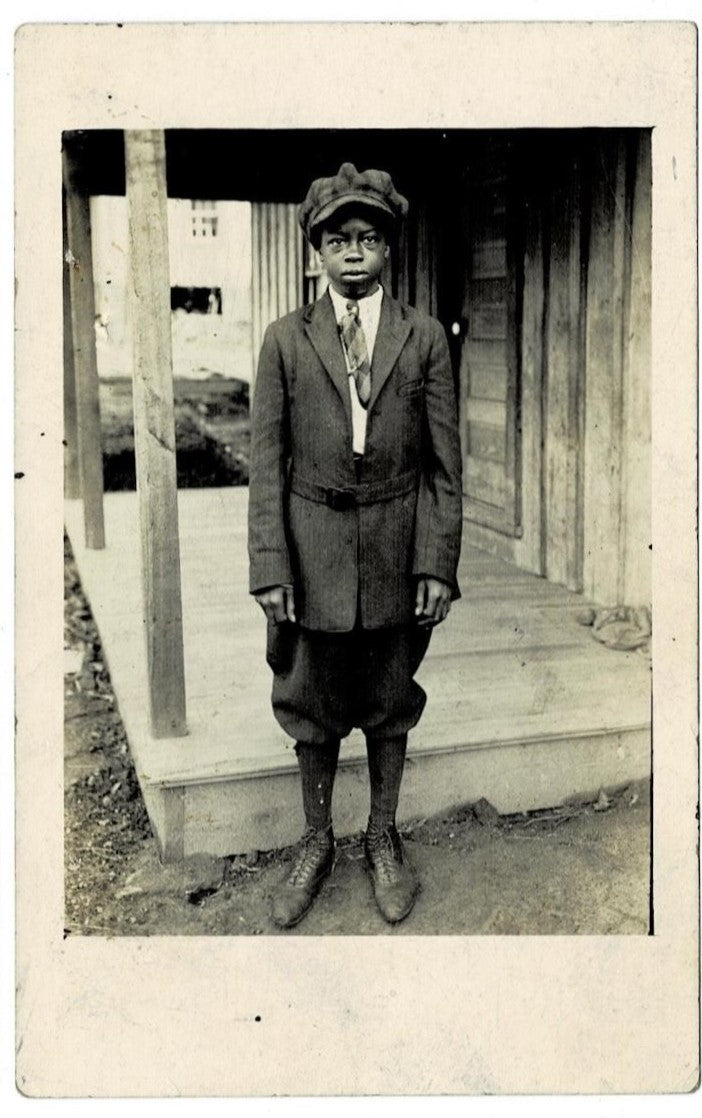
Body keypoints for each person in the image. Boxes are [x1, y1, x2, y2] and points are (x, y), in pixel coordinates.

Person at [248, 162, 463, 928]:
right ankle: (317, 841)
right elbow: (266, 463)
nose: (353, 253)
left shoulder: (424, 337)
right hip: (310, 554)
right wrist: (272, 566)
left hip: (398, 551)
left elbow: (444, 463)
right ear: (316, 251)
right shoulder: (283, 340)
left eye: (369, 239)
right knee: (310, 699)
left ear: (388, 251)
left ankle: (381, 836)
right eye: (337, 239)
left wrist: (437, 562)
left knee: (390, 698)